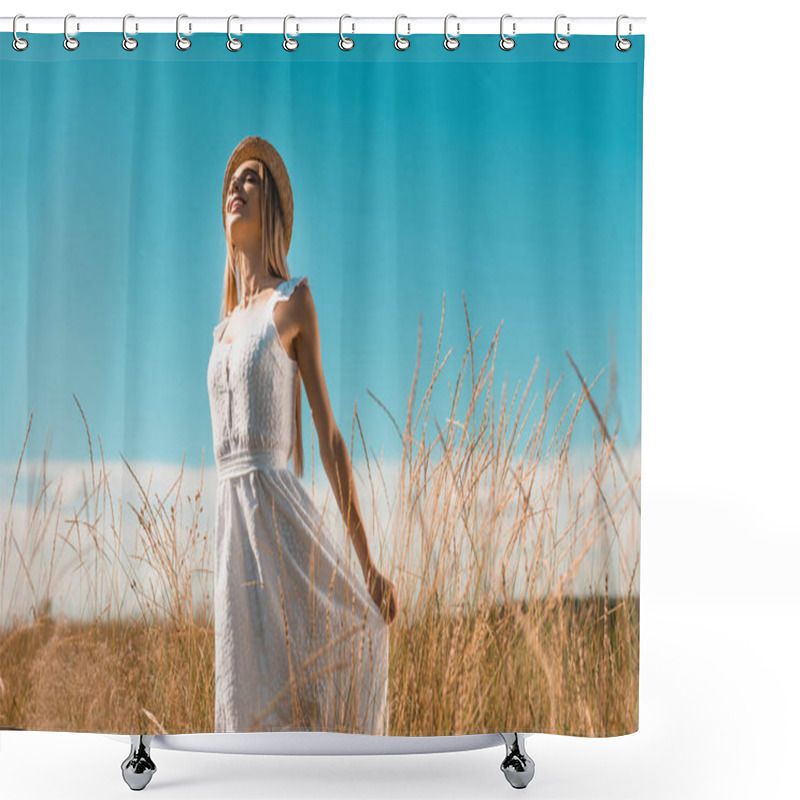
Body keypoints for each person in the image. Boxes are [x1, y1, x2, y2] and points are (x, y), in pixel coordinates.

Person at [207, 136, 397, 734]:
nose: (237, 188)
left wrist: (367, 564)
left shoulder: (292, 303)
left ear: (276, 212)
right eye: (233, 182)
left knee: (302, 694)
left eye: (252, 180)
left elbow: (329, 437)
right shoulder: (222, 330)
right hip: (230, 527)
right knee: (244, 701)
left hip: (278, 518)